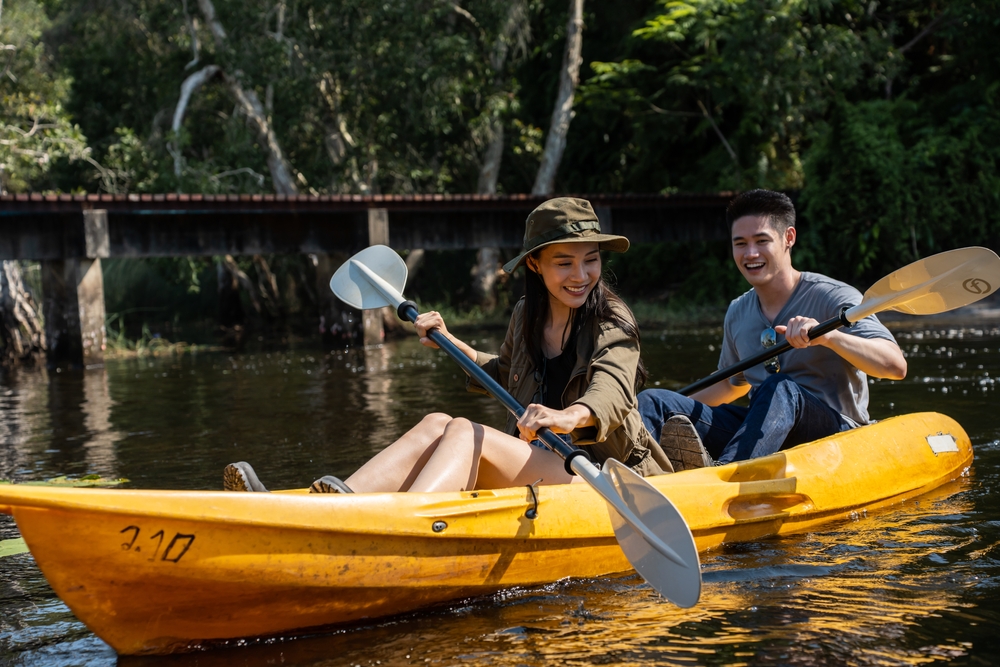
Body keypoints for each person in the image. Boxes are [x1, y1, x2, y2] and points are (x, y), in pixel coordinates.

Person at [225, 197, 673, 495]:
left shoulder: (612, 319)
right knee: (437, 422)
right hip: (546, 462)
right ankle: (329, 506)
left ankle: (403, 528)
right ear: (535, 266)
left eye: (591, 260)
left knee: (465, 431)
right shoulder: (527, 314)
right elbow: (506, 375)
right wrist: (452, 344)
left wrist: (566, 416)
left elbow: (611, 392)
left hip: (606, 476)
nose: (580, 275)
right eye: (564, 262)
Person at [638, 189, 907, 471]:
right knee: (654, 401)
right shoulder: (738, 311)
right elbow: (731, 384)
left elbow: (895, 366)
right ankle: (633, 472)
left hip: (835, 434)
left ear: (788, 238)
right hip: (763, 433)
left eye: (762, 241)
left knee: (780, 387)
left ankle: (725, 473)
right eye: (740, 243)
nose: (750, 254)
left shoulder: (835, 297)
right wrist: (669, 408)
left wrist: (830, 337)